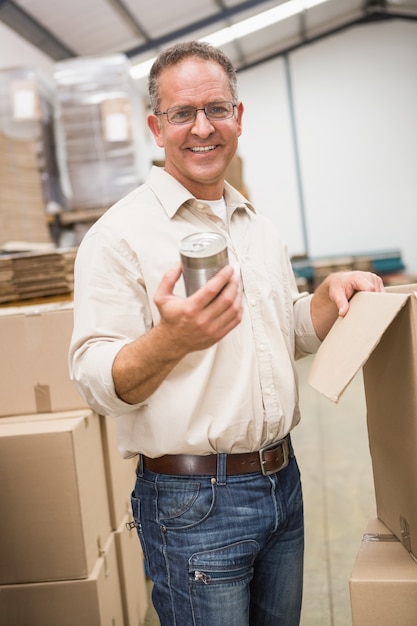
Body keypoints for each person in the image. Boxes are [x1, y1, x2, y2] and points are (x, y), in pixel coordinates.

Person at [69, 41, 384, 626]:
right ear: (155, 128)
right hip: (194, 504)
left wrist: (325, 297)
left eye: (215, 108)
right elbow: (93, 379)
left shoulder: (256, 226)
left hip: (282, 483)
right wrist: (172, 339)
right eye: (181, 113)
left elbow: (281, 333)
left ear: (238, 117)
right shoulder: (118, 236)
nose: (201, 128)